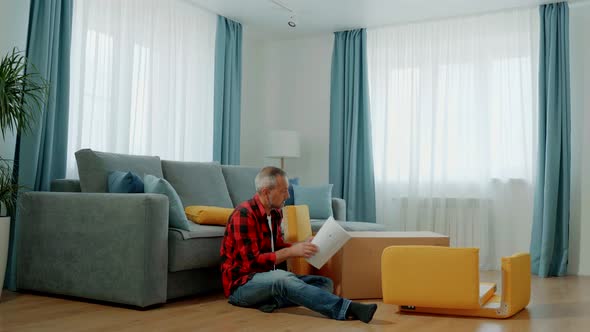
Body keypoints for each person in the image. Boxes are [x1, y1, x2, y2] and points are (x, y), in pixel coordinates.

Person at [220, 166, 377, 323]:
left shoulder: (274, 213)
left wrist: (300, 245)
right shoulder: (244, 214)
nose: (288, 196)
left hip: (268, 280)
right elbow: (252, 262)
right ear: (266, 192)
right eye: (283, 191)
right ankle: (347, 308)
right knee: (283, 279)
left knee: (324, 283)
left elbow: (278, 245)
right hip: (242, 286)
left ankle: (271, 301)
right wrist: (292, 252)